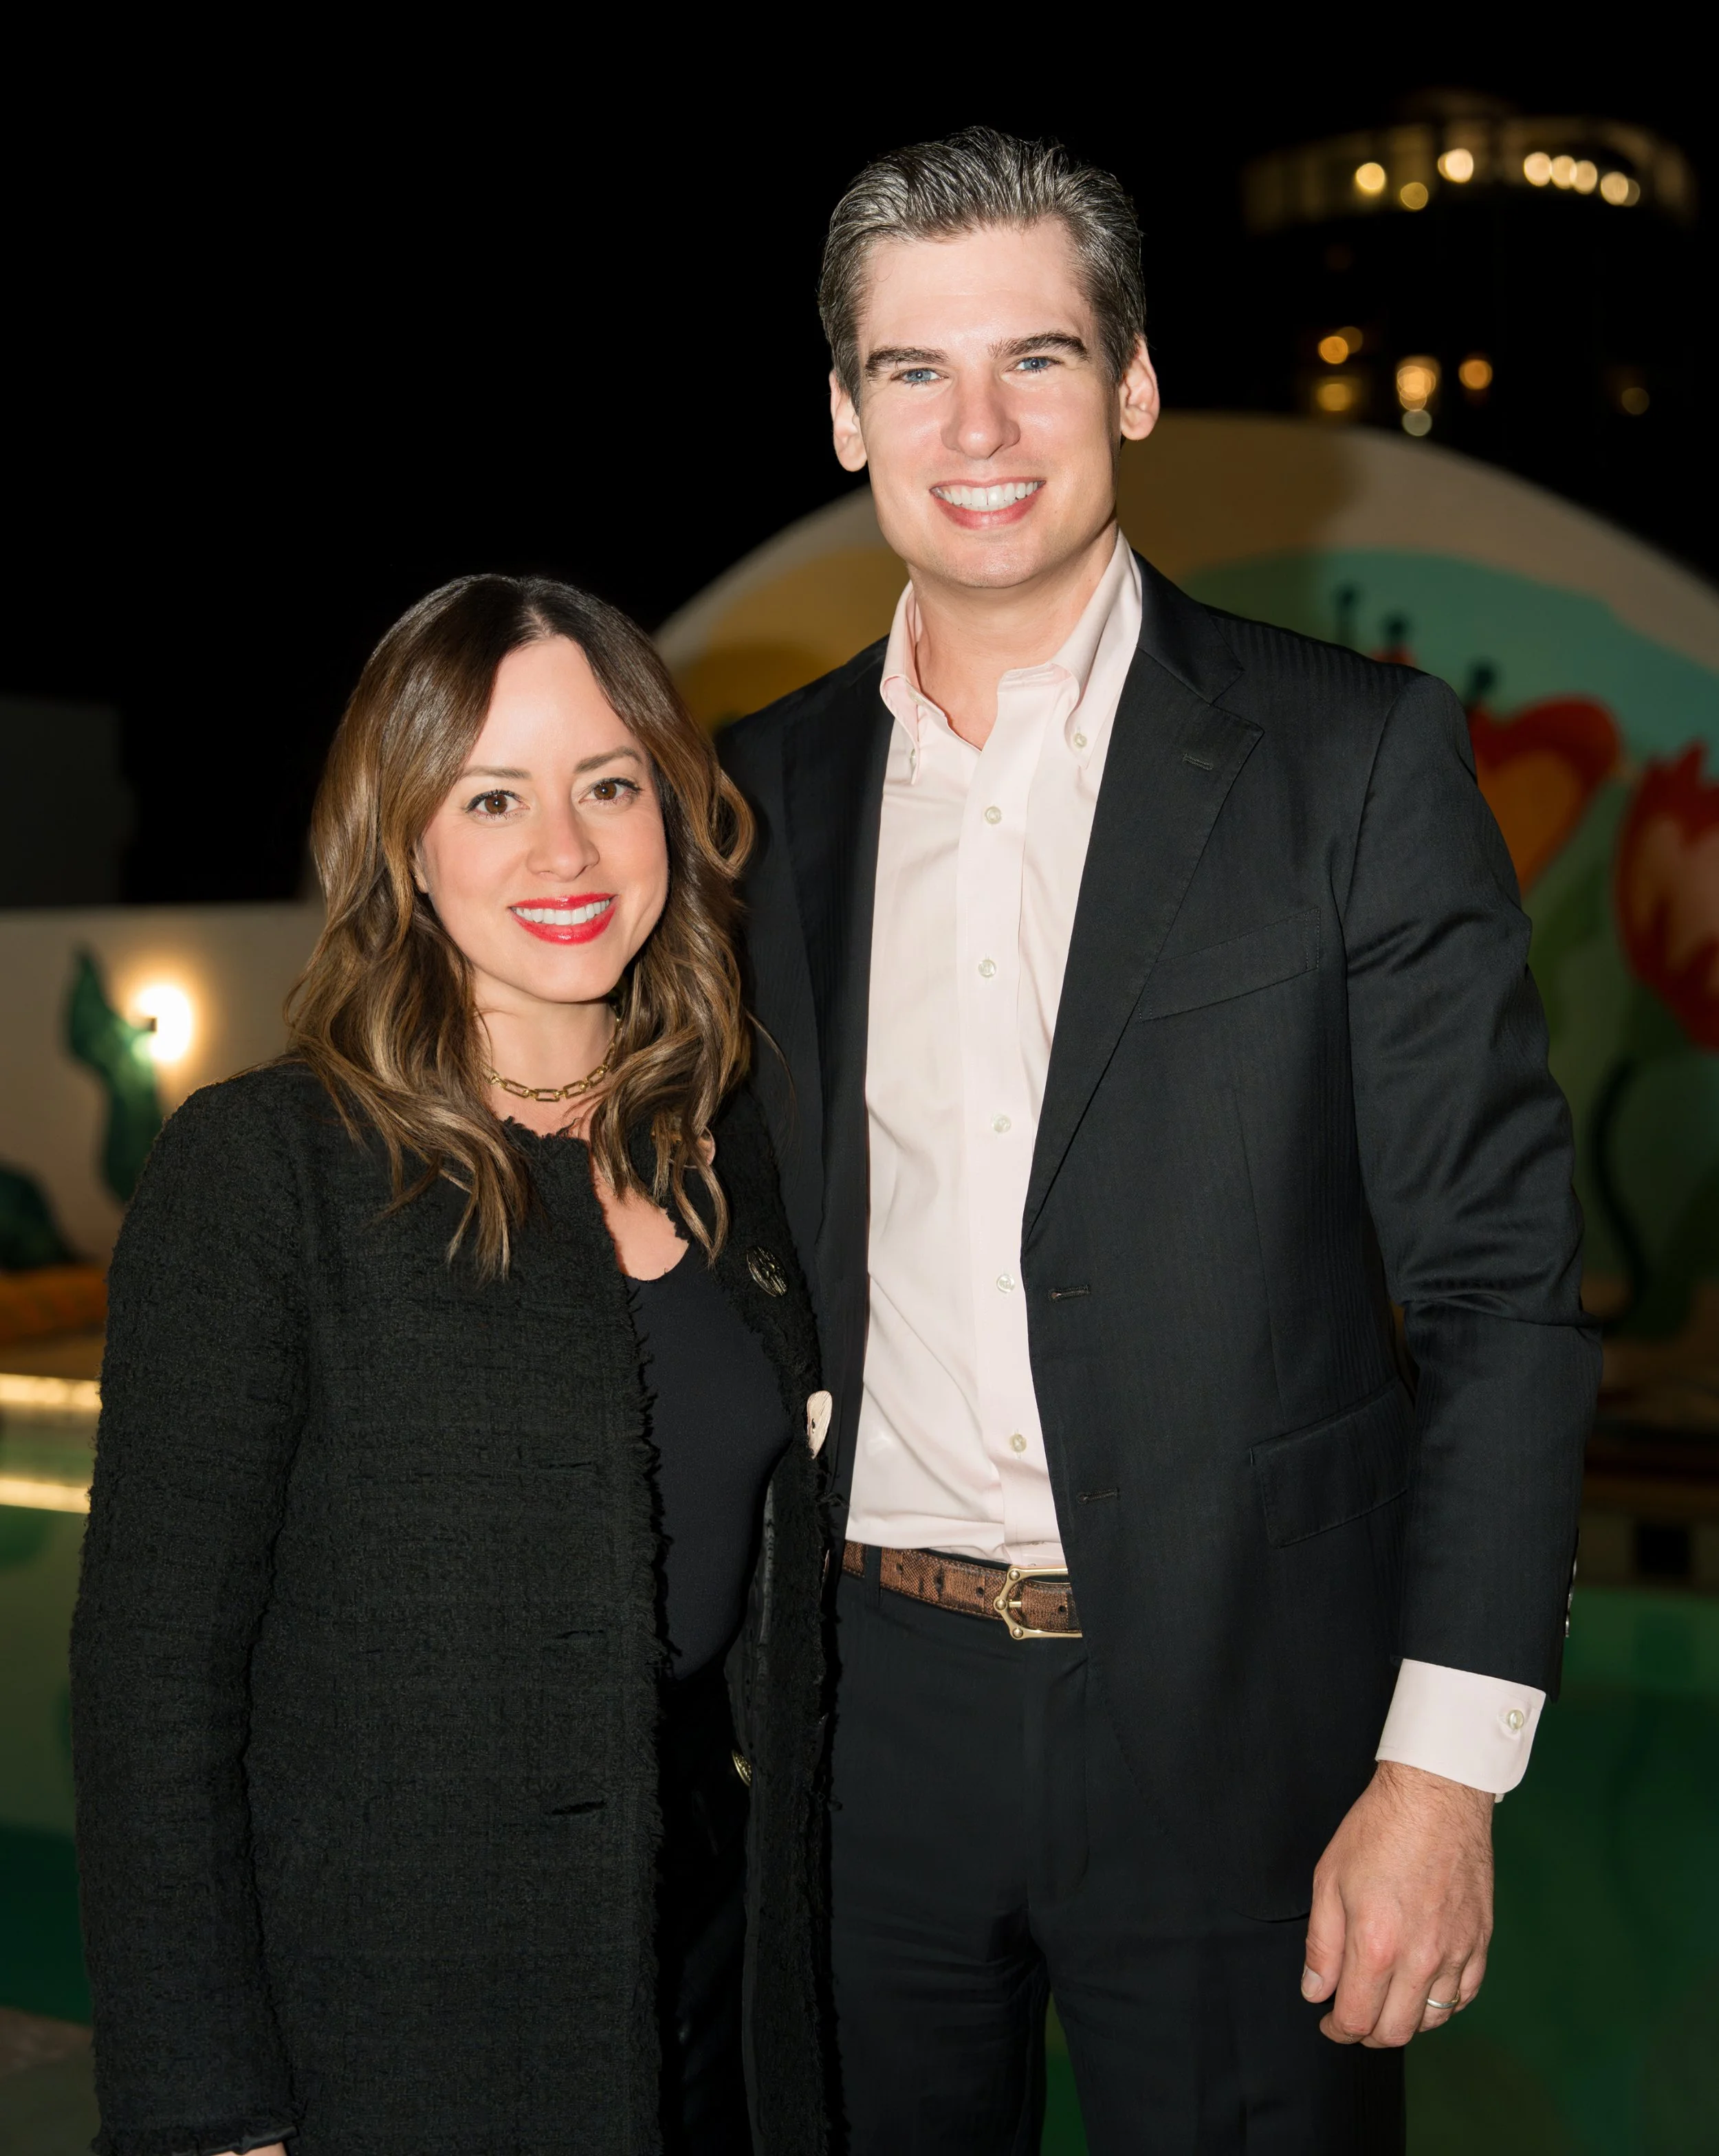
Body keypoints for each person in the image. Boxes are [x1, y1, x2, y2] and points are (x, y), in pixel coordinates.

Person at [719, 129, 1599, 2153]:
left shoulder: (1347, 760)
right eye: (914, 372)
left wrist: (1441, 1771)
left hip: (1249, 1735)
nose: (979, 426)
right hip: (871, 1728)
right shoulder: (756, 803)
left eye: (1036, 357)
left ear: (1129, 383)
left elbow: (1496, 1295)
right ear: (844, 414)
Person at [72, 575, 832, 2156]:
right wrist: (204, 2104)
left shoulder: (731, 1163)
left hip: (717, 1978)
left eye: (607, 785)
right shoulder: (271, 1169)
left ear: (670, 818)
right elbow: (151, 1685)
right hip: (399, 2016)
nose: (564, 851)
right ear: (407, 843)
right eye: (494, 797)